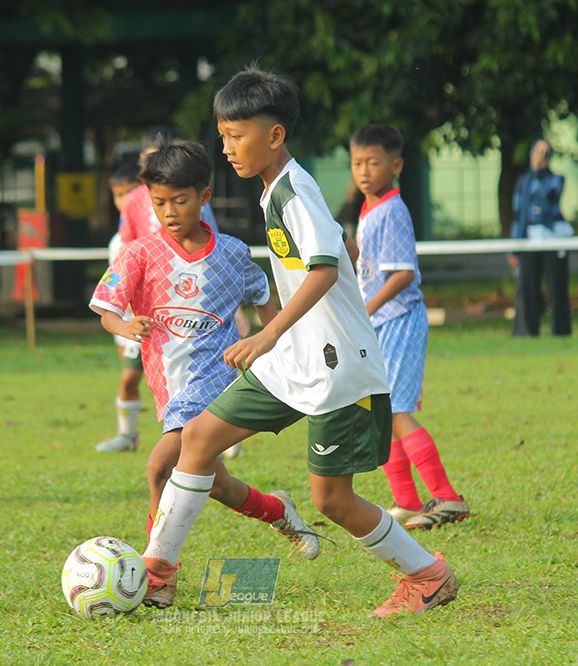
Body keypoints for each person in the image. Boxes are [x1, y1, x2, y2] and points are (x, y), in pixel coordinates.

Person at [141, 67, 458, 617]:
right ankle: (158, 574)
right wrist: (279, 341)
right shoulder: (272, 190)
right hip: (294, 361)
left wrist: (267, 333)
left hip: (338, 368)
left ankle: (428, 576)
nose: (227, 147)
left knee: (331, 500)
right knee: (196, 440)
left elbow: (326, 269)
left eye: (237, 136)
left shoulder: (295, 192)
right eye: (223, 135)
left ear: (275, 135)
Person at [90, 138, 319, 592]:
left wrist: (275, 344)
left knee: (159, 466)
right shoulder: (138, 254)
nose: (170, 211)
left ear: (204, 197)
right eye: (159, 203)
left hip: (214, 382)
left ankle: (156, 575)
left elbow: (263, 303)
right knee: (214, 484)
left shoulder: (232, 253)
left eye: (180, 200)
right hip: (169, 390)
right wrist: (125, 326)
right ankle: (279, 511)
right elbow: (105, 309)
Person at [347, 124, 470, 530]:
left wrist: (367, 308)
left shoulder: (393, 210)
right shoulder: (368, 210)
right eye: (357, 163)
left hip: (398, 319)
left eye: (374, 162)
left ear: (396, 166)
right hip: (378, 322)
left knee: (397, 410)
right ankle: (407, 503)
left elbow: (401, 275)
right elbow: (368, 266)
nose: (364, 171)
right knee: (381, 413)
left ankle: (448, 498)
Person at [100, 125, 249, 456]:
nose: (171, 209)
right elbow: (128, 252)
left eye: (180, 200)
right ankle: (130, 435)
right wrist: (126, 314)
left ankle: (217, 437)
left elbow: (216, 256)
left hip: (195, 307)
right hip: (152, 314)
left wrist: (235, 307)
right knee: (135, 377)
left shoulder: (196, 198)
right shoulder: (135, 203)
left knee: (174, 454)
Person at [95, 161, 147, 453]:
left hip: (161, 319)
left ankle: (219, 437)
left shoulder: (155, 234)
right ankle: (128, 435)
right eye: (118, 195)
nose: (125, 201)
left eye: (131, 192)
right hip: (128, 321)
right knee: (128, 378)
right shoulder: (118, 242)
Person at [508, 139, 572, 337]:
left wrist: (539, 171)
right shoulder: (523, 182)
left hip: (552, 239)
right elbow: (519, 215)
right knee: (527, 289)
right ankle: (526, 331)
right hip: (530, 239)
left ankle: (561, 332)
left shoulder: (556, 179)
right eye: (537, 151)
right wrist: (514, 247)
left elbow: (549, 196)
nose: (538, 155)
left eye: (544, 152)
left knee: (557, 288)